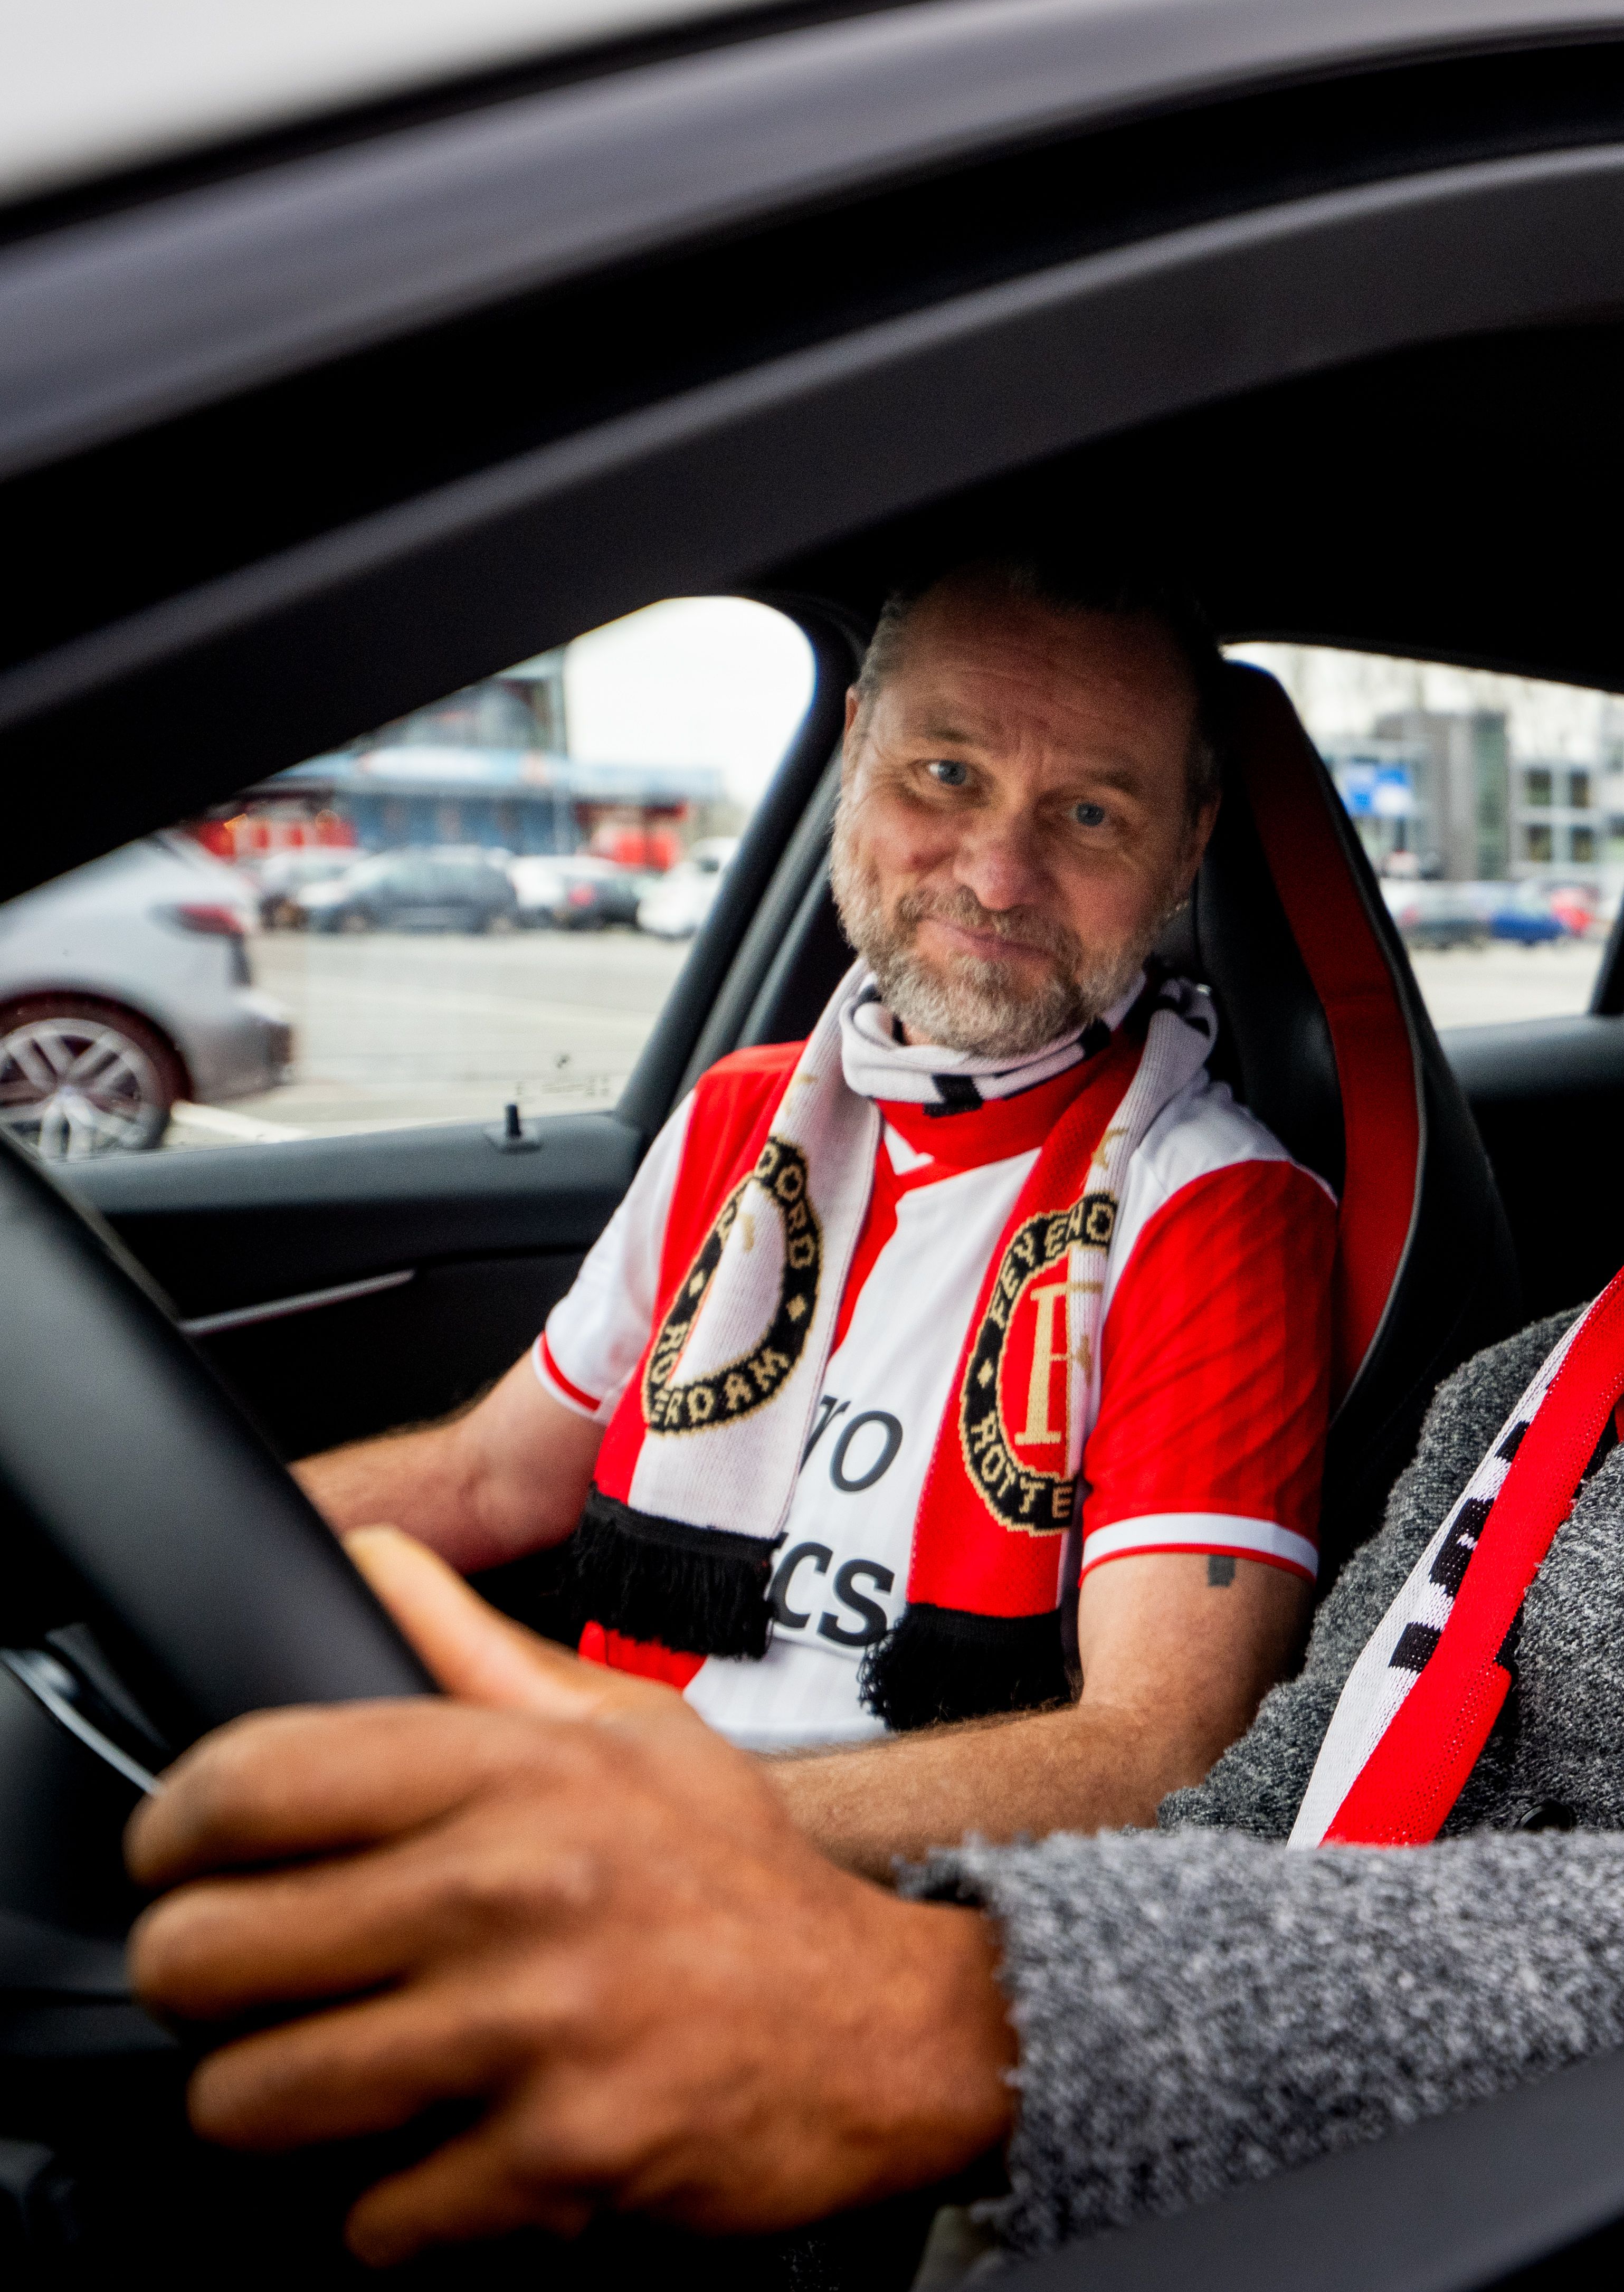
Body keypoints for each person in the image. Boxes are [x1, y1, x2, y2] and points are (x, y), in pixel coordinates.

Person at [128, 607, 1624, 2292]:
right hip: (1277, 2281)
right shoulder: (1526, 1395)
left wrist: (945, 2015)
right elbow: (1242, 1828)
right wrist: (769, 1963)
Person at [297, 558, 1341, 1863]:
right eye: (946, 774)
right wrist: (173, 1530)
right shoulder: (740, 1114)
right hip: (583, 1811)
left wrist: (631, 1828)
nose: (999, 875)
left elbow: (1158, 1746)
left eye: (1088, 812)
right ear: (857, 748)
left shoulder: (1218, 1207)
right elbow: (492, 1474)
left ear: (1185, 845)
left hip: (838, 1904)